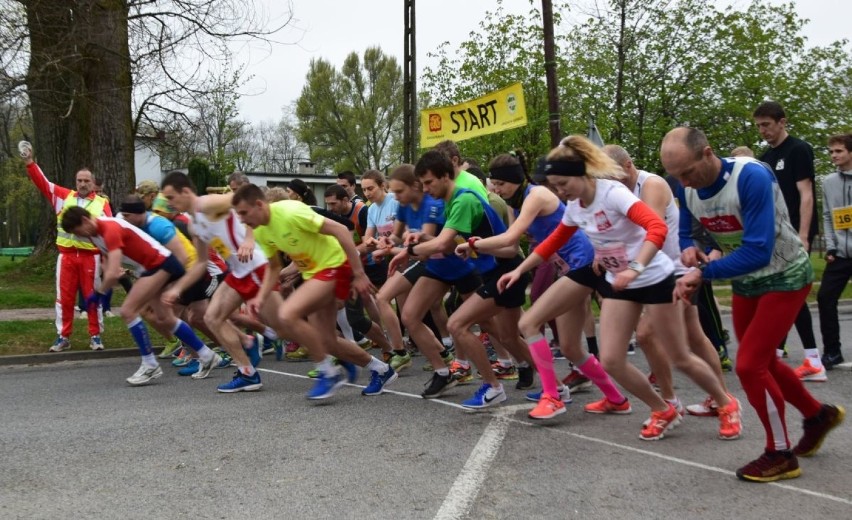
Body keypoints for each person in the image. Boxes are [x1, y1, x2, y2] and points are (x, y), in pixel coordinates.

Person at [500, 135, 741, 441]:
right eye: (555, 185)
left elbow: (657, 227)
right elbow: (553, 242)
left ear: (583, 173)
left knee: (680, 355)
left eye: (563, 183)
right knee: (612, 360)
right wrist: (520, 269)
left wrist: (636, 266)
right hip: (620, 284)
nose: (560, 191)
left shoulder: (613, 194)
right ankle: (662, 410)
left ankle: (726, 402)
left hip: (654, 278)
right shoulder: (575, 206)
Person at [663, 126, 845, 482]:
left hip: (785, 275)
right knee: (760, 362)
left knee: (748, 366)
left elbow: (759, 250)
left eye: (687, 172)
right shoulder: (688, 190)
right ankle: (816, 414)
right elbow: (686, 229)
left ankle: (779, 454)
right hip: (747, 282)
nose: (684, 182)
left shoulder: (751, 177)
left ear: (708, 153)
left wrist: (704, 271)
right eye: (676, 176)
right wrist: (688, 248)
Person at [455, 152, 604, 418]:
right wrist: (479, 246)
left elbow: (509, 237)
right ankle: (611, 397)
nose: (496, 190)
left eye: (500, 184)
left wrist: (474, 244)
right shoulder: (517, 203)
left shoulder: (535, 196)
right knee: (569, 346)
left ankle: (553, 395)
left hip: (580, 264)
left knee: (529, 324)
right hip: (567, 268)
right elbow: (510, 247)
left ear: (514, 179)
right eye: (494, 185)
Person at [604, 144, 737, 429]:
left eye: (613, 177)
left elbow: (648, 230)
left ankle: (681, 400)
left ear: (628, 165)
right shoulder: (617, 192)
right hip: (652, 270)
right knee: (693, 336)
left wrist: (620, 254)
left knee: (648, 334)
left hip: (674, 270)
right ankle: (712, 397)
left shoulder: (650, 184)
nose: (610, 184)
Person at [231, 184, 397, 399]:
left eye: (244, 213)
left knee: (288, 313)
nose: (242, 220)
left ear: (259, 205)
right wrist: (260, 298)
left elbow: (340, 230)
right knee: (327, 341)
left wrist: (359, 273)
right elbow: (274, 267)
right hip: (314, 273)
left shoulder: (291, 212)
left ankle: (327, 372)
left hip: (335, 266)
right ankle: (382, 370)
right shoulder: (261, 230)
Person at [60, 206, 223, 385]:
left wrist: (98, 293)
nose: (80, 237)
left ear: (85, 220)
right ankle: (207, 355)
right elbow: (108, 262)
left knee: (128, 311)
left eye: (78, 232)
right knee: (165, 317)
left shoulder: (109, 229)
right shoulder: (92, 233)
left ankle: (150, 364)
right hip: (152, 266)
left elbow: (114, 272)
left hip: (159, 264)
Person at [161, 172, 277, 393]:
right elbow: (201, 263)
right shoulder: (195, 225)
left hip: (256, 266)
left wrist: (249, 238)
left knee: (289, 325)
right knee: (212, 318)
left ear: (185, 191)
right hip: (238, 272)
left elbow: (250, 198)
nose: (168, 203)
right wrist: (177, 288)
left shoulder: (209, 204)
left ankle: (331, 354)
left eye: (171, 197)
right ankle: (248, 373)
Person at [20, 141, 111, 352]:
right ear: (75, 181)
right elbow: (42, 183)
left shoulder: (102, 203)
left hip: (91, 257)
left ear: (93, 183)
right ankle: (63, 336)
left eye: (86, 180)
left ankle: (95, 336)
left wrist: (108, 258)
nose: (82, 184)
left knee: (92, 297)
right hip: (67, 256)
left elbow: (110, 231)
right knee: (64, 298)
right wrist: (30, 162)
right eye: (79, 180)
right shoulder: (63, 196)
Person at [753, 101, 821, 374]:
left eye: (766, 125)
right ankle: (780, 354)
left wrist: (804, 235)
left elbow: (806, 194)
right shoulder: (765, 158)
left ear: (782, 122)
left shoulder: (798, 149)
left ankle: (812, 359)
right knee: (779, 292)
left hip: (795, 233)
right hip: (775, 233)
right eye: (759, 126)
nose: (763, 131)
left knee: (787, 291)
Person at [816, 133, 852, 370]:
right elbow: (828, 216)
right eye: (831, 152)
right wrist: (831, 245)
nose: (833, 156)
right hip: (839, 252)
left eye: (838, 151)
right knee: (824, 297)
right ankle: (832, 352)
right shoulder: (828, 181)